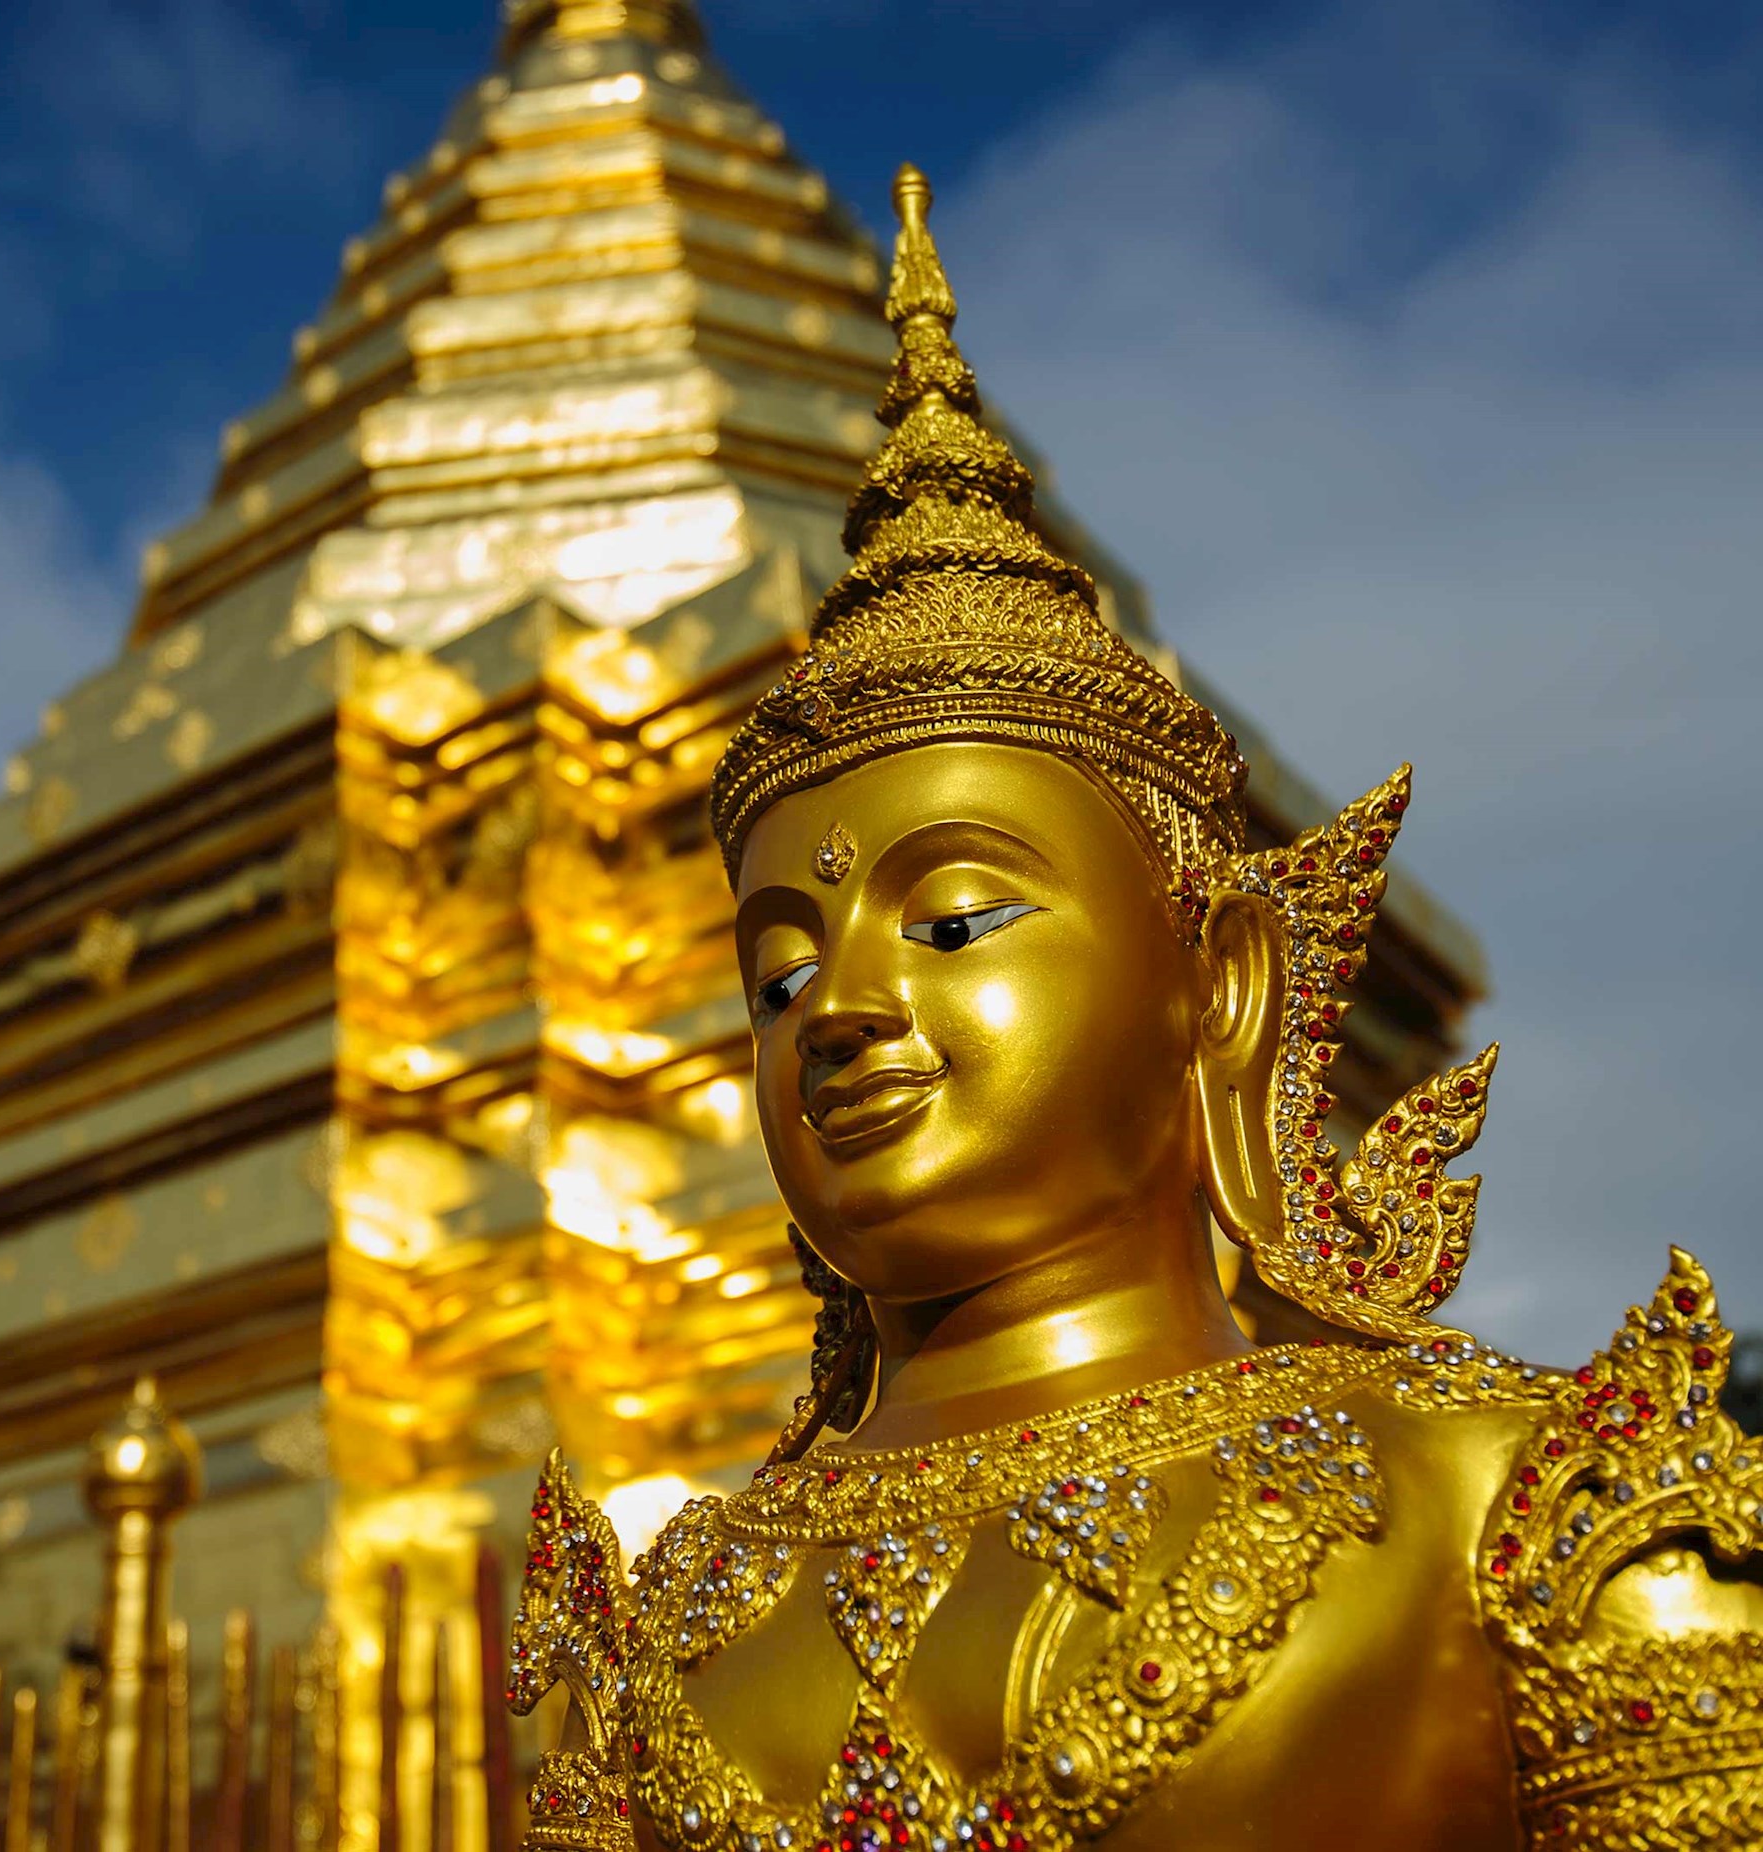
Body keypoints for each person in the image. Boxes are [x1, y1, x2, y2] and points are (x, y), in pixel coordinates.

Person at [505, 164, 1763, 1852]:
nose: (843, 1009)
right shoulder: (672, 1628)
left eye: (954, 917)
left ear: (1220, 987)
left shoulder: (1524, 1511)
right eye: (780, 972)